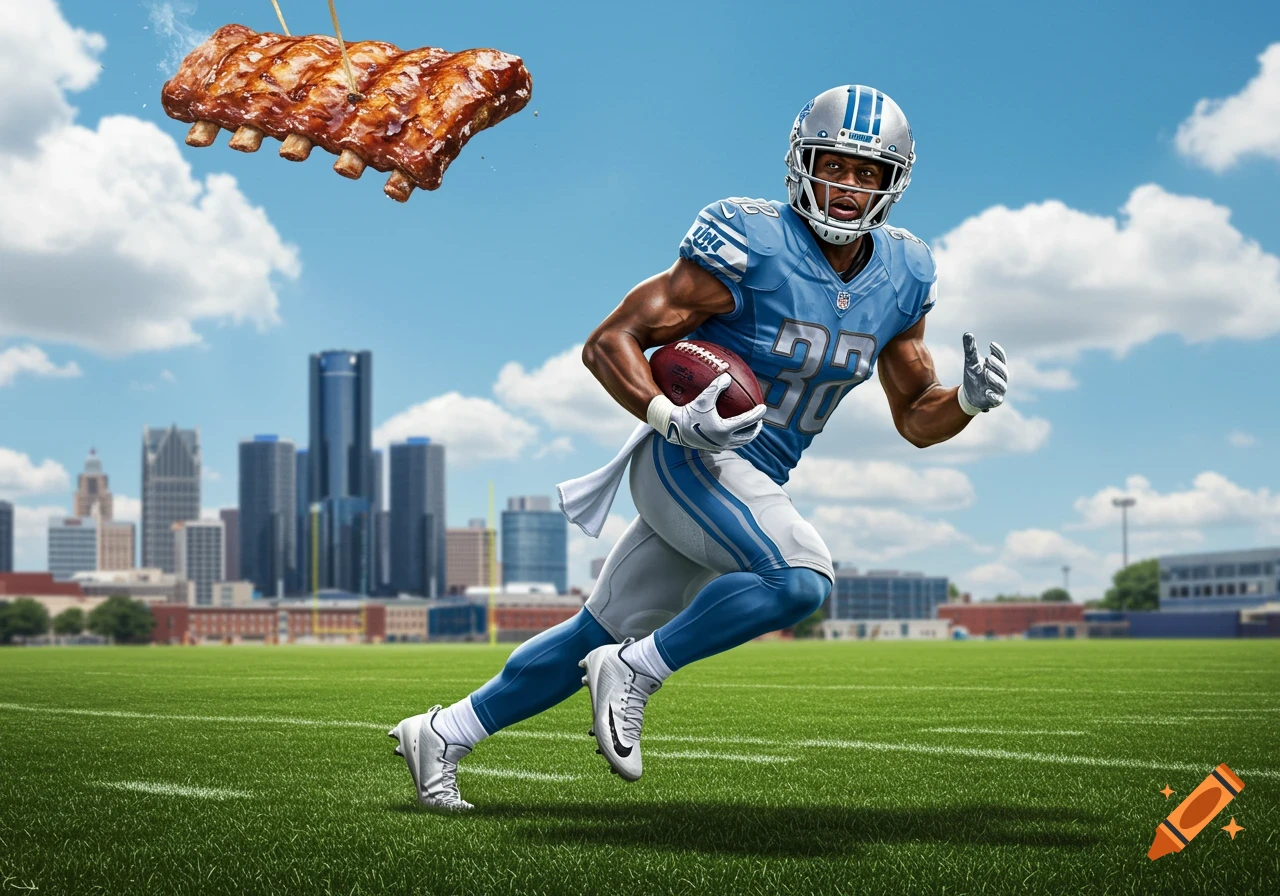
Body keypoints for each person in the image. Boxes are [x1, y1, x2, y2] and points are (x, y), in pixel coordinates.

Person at [389, 84, 1010, 809]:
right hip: (690, 454)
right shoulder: (751, 241)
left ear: (892, 183)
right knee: (802, 576)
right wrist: (668, 415)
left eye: (866, 173)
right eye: (833, 166)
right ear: (800, 164)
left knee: (595, 631)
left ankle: (443, 731)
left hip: (750, 481)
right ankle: (636, 672)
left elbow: (914, 416)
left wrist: (966, 402)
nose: (845, 188)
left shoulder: (904, 275)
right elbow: (608, 341)